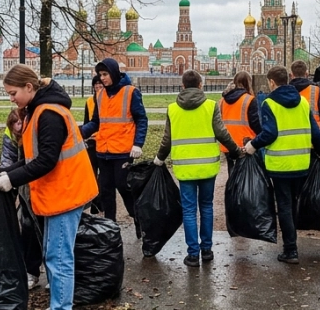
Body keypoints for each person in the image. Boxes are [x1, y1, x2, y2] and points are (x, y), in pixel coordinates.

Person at [0, 65, 98, 310]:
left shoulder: (48, 114)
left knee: (59, 255)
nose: (11, 99)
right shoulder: (40, 110)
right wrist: (8, 172)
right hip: (61, 192)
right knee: (54, 252)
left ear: (30, 87)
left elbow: (46, 161)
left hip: (66, 192)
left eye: (13, 92)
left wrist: (12, 179)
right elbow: (32, 158)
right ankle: (57, 308)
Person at [153, 70, 239, 267]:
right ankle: (207, 250)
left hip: (185, 168)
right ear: (201, 85)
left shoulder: (173, 108)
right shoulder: (210, 106)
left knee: (189, 210)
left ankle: (193, 254)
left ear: (182, 86)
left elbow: (167, 139)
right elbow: (222, 133)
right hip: (208, 165)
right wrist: (235, 150)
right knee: (207, 207)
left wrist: (159, 159)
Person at [243, 65, 320, 264]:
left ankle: (291, 249)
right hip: (301, 162)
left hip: (280, 165)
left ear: (272, 82)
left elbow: (270, 133)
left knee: (285, 206)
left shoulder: (270, 103)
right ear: (287, 79)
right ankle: (292, 243)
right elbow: (315, 131)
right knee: (294, 204)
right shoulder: (303, 102)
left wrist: (252, 145)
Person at [79, 58, 148, 229]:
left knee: (124, 186)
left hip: (123, 150)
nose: (102, 78)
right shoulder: (100, 95)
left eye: (105, 74)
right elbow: (96, 121)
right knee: (106, 190)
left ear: (114, 73)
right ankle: (110, 225)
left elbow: (141, 119)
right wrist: (80, 132)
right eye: (100, 75)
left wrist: (138, 144)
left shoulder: (131, 92)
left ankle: (137, 217)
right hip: (104, 150)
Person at [1, 107, 43, 290]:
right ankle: (31, 271)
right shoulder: (12, 134)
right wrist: (5, 176)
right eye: (14, 123)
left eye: (20, 122)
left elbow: (35, 162)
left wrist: (11, 176)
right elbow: (9, 159)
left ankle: (51, 274)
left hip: (41, 189)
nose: (18, 127)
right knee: (27, 230)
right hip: (25, 190)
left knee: (45, 232)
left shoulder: (36, 128)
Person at [220, 71, 260, 172]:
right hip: (245, 143)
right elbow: (255, 123)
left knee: (232, 173)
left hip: (228, 144)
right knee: (246, 177)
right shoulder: (249, 100)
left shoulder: (222, 101)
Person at [290, 60, 320, 131]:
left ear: (291, 75)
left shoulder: (285, 91)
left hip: (292, 134)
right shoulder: (316, 90)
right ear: (307, 73)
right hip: (313, 134)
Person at [82, 74, 103, 182]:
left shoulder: (107, 99)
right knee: (92, 169)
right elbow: (87, 121)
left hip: (103, 139)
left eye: (100, 84)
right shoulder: (90, 101)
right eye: (96, 84)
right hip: (92, 140)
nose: (98, 86)